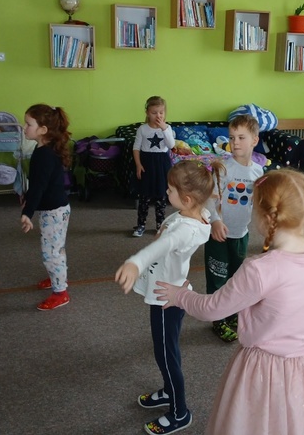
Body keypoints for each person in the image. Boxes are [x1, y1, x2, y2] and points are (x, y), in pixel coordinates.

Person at [154, 168, 304, 435]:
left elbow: (212, 308)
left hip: (265, 371)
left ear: (266, 218)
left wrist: (179, 296)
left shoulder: (260, 269)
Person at [116, 159, 224, 435]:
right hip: (171, 290)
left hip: (166, 299)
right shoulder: (195, 213)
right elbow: (207, 206)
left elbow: (163, 245)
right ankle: (168, 391)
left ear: (187, 199)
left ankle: (179, 412)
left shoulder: (184, 229)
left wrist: (135, 263)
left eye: (170, 190)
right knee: (166, 351)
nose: (166, 192)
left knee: (166, 356)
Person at [204, 114, 264, 342]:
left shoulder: (258, 172)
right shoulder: (223, 168)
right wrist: (215, 221)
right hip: (219, 234)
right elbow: (209, 199)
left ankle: (231, 314)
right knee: (218, 278)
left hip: (241, 235)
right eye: (231, 137)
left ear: (254, 140)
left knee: (236, 279)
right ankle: (217, 319)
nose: (235, 142)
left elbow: (258, 203)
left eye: (241, 137)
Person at [20, 104, 73, 310]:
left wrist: (27, 213)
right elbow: (39, 183)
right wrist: (29, 200)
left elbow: (38, 187)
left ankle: (61, 293)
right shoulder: (44, 148)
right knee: (55, 248)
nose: (24, 127)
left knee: (51, 253)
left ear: (43, 130)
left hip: (54, 212)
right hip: (55, 208)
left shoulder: (44, 154)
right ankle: (56, 278)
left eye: (28, 124)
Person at [132, 96, 176, 237]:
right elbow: (136, 148)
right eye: (154, 112)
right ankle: (141, 225)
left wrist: (164, 129)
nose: (158, 116)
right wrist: (138, 165)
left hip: (162, 164)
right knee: (144, 196)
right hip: (146, 163)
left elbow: (171, 145)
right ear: (147, 113)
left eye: (161, 112)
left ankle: (160, 225)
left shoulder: (167, 128)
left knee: (161, 197)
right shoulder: (142, 129)